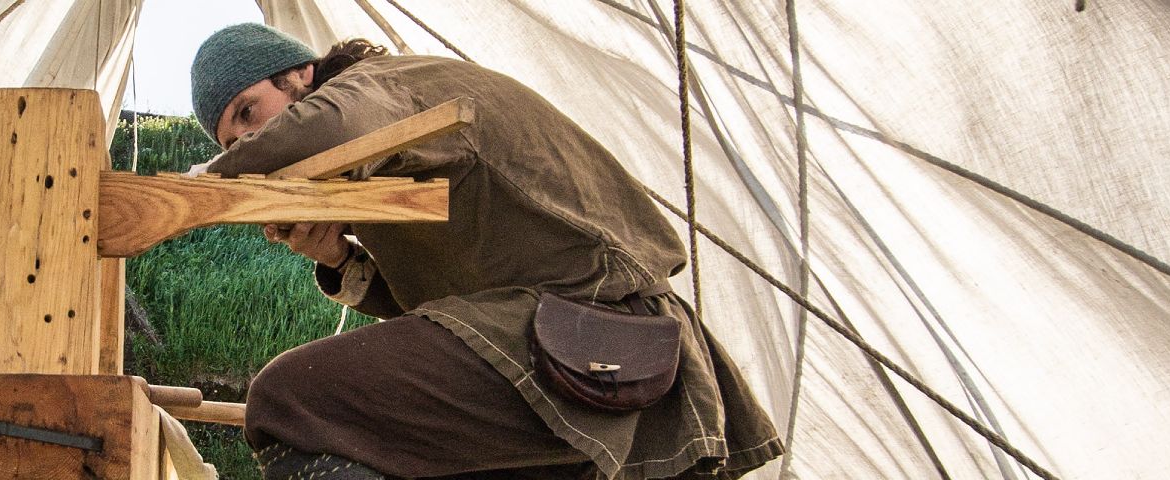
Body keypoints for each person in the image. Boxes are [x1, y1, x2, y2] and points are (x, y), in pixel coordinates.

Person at [187, 23, 784, 479]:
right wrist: (342, 258)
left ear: (299, 75)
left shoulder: (380, 86)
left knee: (291, 396)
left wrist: (205, 183)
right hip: (557, 348)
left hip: (598, 331)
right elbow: (449, 314)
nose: (248, 140)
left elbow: (324, 129)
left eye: (248, 113)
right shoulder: (381, 159)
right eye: (231, 136)